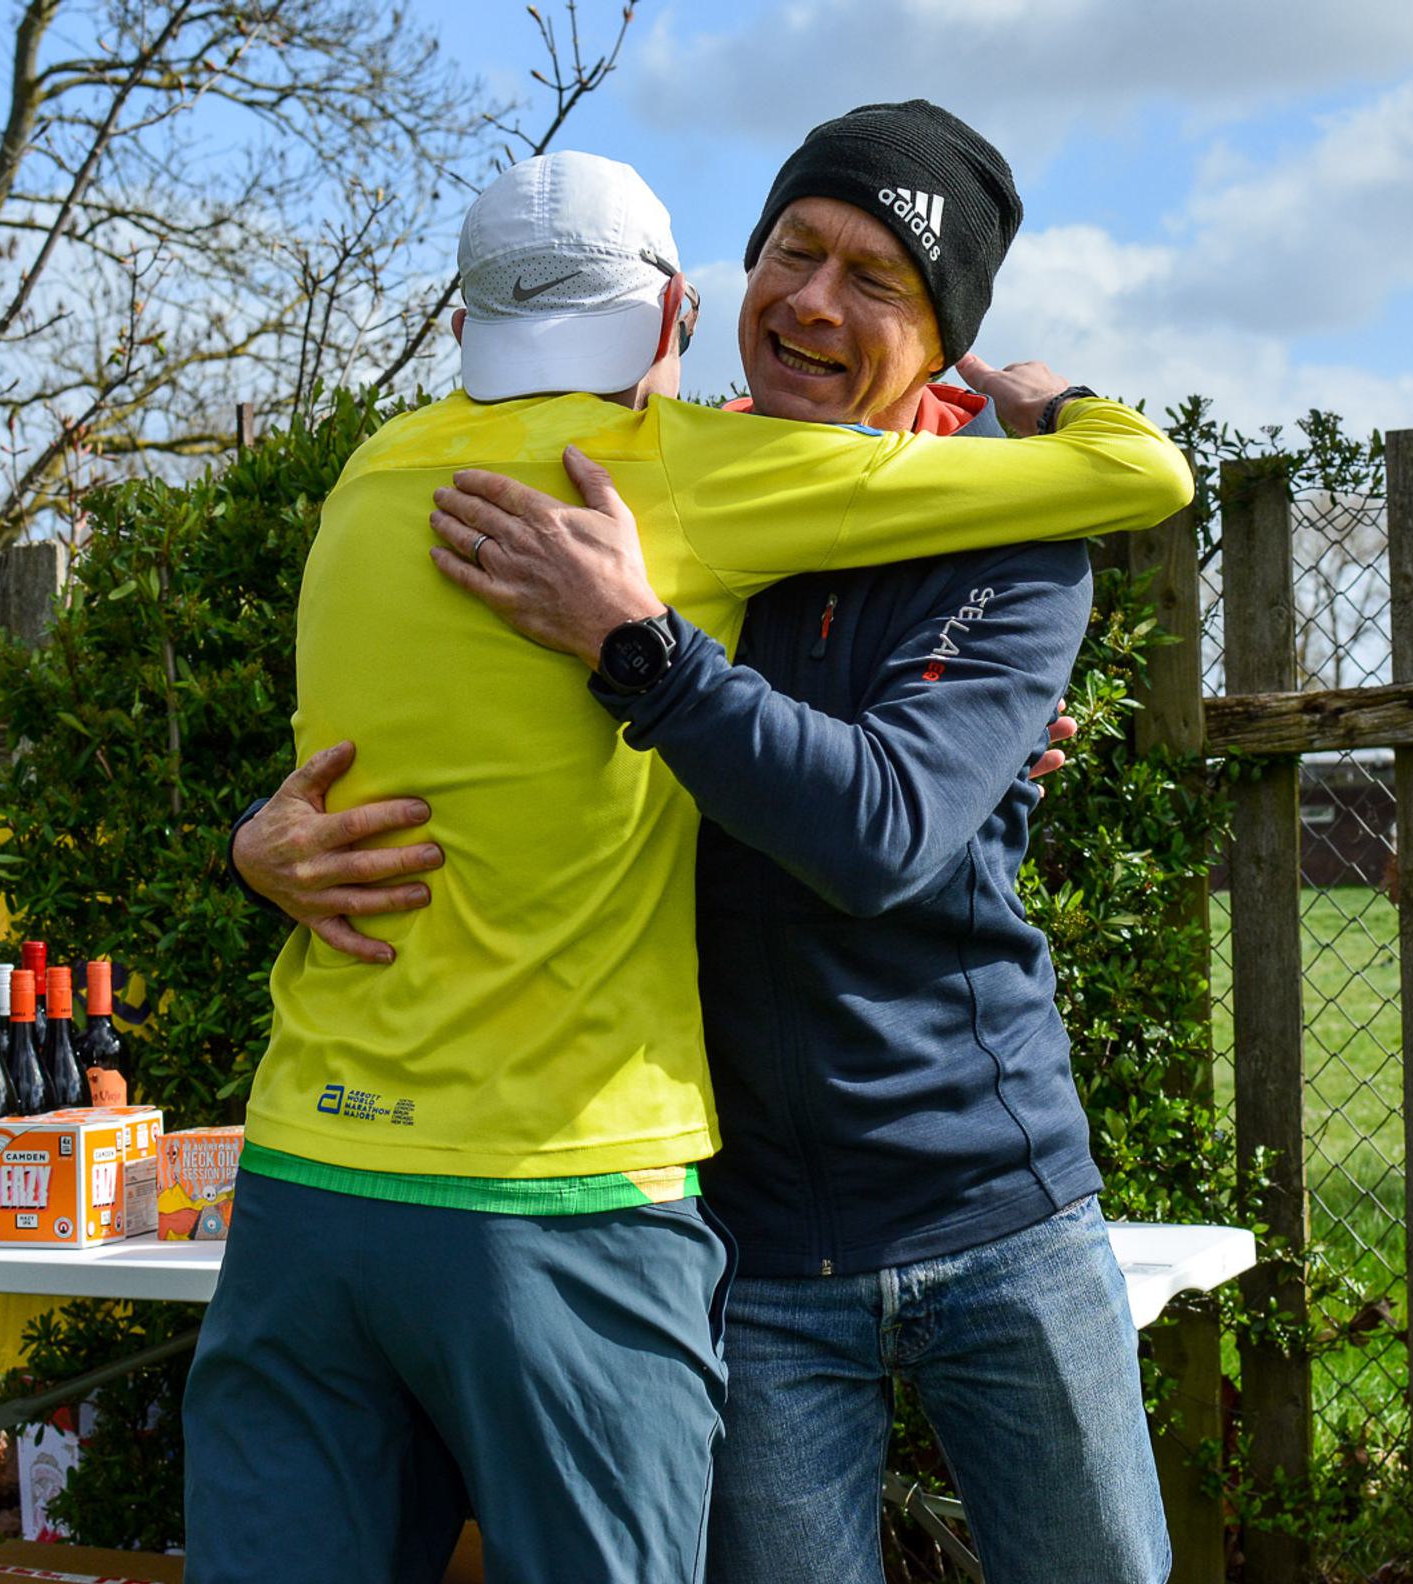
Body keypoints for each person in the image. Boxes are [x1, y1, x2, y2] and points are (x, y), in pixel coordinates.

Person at [214, 126, 1189, 1584]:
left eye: (876, 280)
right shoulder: (663, 471)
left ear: (945, 342)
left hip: (994, 1207)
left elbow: (885, 832)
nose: (813, 300)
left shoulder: (997, 548)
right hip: (747, 1238)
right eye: (794, 250)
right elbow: (430, 758)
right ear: (697, 298)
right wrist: (260, 843)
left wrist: (645, 648)